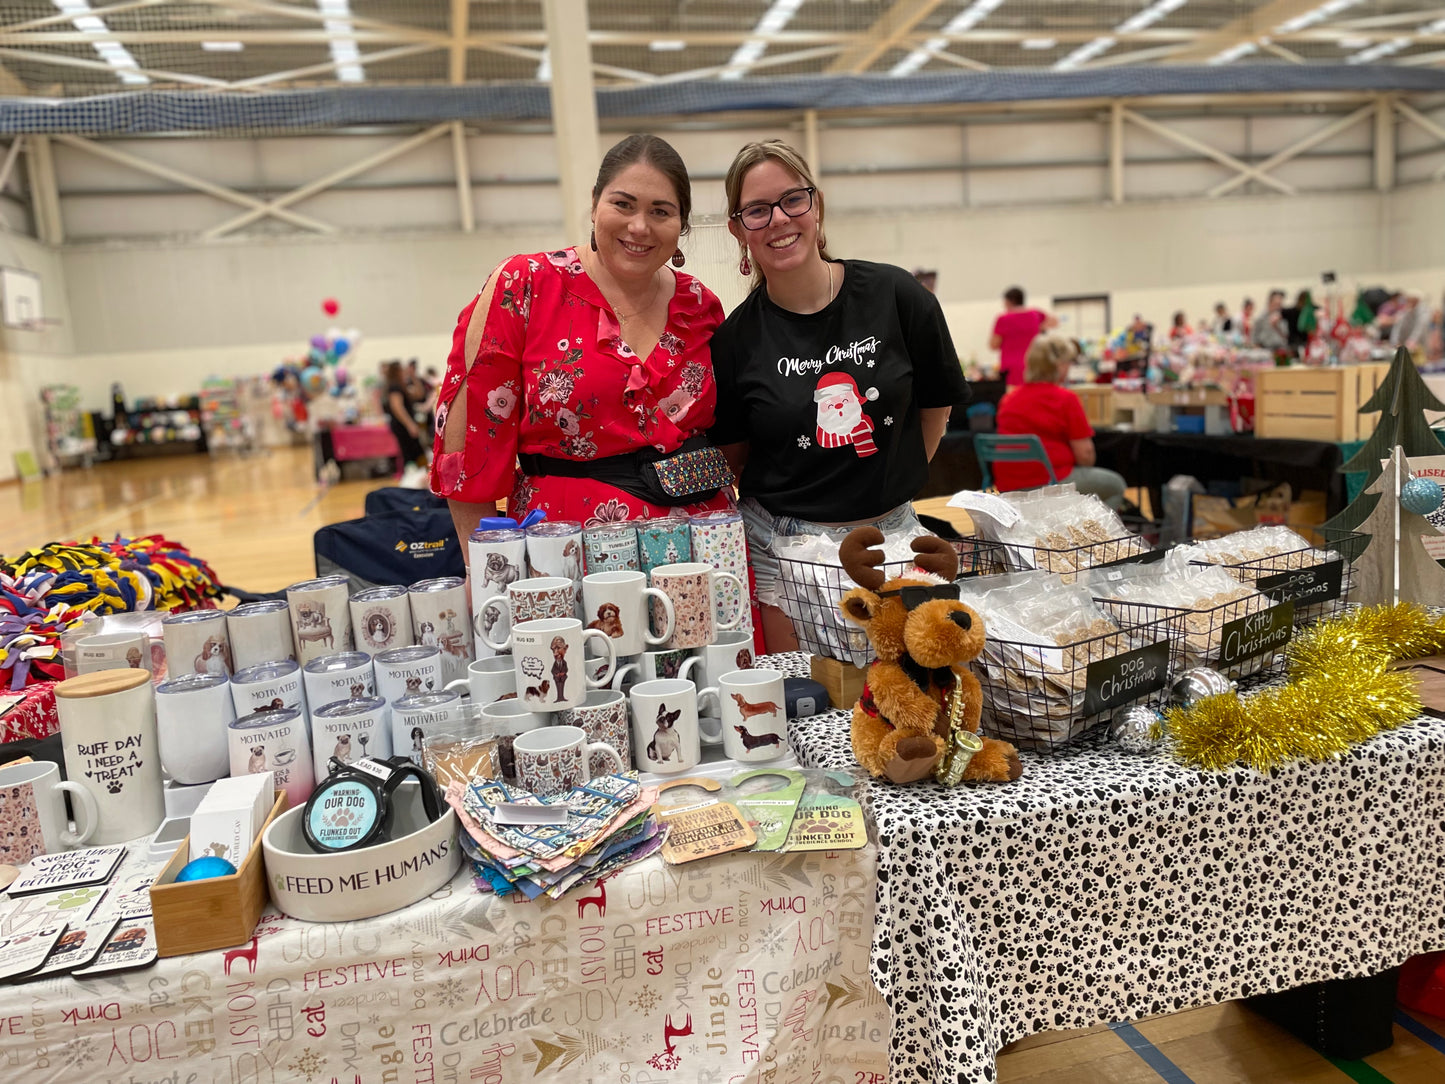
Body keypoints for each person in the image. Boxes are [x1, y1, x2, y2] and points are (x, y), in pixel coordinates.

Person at [708, 139, 969, 652]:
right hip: (783, 550)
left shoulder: (896, 296)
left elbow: (935, 406)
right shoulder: (735, 340)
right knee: (807, 712)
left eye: (792, 200)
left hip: (893, 538)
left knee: (904, 701)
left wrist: (885, 485)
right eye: (757, 210)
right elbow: (734, 462)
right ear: (739, 230)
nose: (779, 219)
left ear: (817, 204)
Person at [431, 134, 733, 548]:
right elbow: (469, 447)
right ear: (594, 204)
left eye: (660, 211)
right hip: (567, 549)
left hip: (704, 548)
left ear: (682, 223)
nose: (639, 226)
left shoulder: (699, 305)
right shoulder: (525, 286)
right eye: (623, 204)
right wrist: (480, 566)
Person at [993, 335, 1126, 508]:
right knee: (1116, 485)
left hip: (1008, 487)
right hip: (1050, 482)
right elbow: (1085, 456)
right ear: (1060, 365)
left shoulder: (1008, 399)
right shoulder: (1065, 399)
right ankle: (1093, 534)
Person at [990, 286, 1056, 387]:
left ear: (1009, 301)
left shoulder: (1003, 319)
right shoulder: (1035, 314)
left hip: (1011, 369)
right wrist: (1039, 328)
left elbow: (994, 345)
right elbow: (1054, 322)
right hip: (1032, 364)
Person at [383, 360, 428, 487]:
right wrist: (410, 424)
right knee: (410, 453)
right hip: (402, 425)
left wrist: (413, 377)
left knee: (416, 452)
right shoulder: (394, 387)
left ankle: (417, 480)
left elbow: (419, 393)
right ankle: (410, 483)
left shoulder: (402, 386)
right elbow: (397, 407)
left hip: (406, 424)